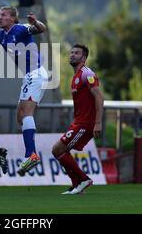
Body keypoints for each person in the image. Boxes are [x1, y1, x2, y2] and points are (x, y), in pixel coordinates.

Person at [0, 6, 48, 176]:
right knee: (20, 116)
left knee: (27, 113)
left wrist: (36, 23)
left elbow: (41, 28)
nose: (0, 18)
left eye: (4, 15)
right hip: (28, 76)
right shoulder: (0, 34)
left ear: (13, 18)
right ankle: (31, 152)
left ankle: (31, 155)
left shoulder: (20, 29)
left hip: (35, 74)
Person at [51, 44, 104, 195]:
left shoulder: (87, 74)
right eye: (71, 52)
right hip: (79, 122)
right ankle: (77, 185)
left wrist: (98, 123)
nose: (72, 55)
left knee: (57, 149)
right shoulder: (76, 76)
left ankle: (83, 180)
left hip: (86, 124)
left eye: (76, 53)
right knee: (60, 151)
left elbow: (99, 97)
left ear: (84, 58)